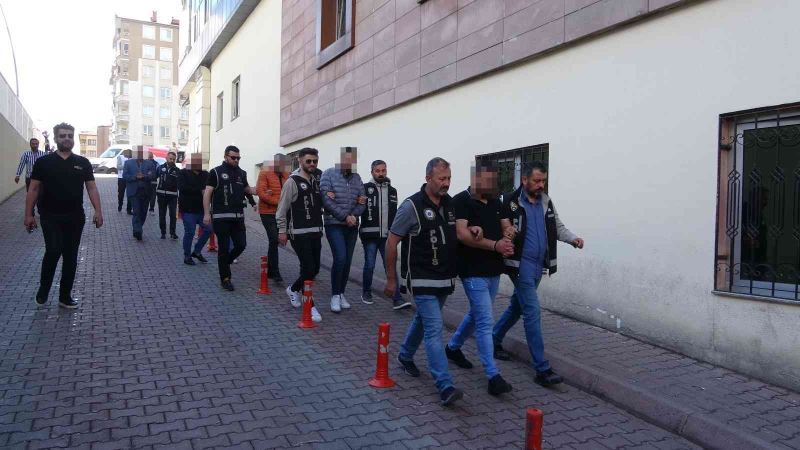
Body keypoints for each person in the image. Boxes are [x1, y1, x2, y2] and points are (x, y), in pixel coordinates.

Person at [492, 161, 584, 387]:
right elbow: (497, 228)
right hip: (519, 266)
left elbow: (557, 227)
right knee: (532, 311)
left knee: (517, 306)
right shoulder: (510, 202)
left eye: (543, 180)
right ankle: (542, 369)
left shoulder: (546, 201)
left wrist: (572, 239)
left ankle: (494, 339)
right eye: (537, 181)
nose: (541, 185)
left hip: (538, 267)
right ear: (524, 180)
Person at [384, 157, 463, 407]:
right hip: (421, 279)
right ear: (428, 178)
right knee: (434, 329)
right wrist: (391, 279)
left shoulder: (450, 204)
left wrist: (475, 231)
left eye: (449, 178)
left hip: (445, 279)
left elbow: (457, 234)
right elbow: (391, 242)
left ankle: (405, 355)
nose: (446, 183)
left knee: (423, 320)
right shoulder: (411, 206)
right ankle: (445, 385)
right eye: (441, 179)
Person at [444, 161, 515, 396]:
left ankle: (453, 347)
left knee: (477, 314)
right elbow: (462, 235)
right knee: (485, 320)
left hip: (494, 270)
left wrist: (509, 234)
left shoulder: (496, 201)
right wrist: (495, 245)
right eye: (489, 180)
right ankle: (493, 375)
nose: (494, 185)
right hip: (472, 270)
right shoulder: (460, 201)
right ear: (476, 179)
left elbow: (506, 226)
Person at [24, 122, 103, 309]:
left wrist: (98, 211)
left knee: (70, 256)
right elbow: (33, 189)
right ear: (55, 138)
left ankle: (65, 296)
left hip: (75, 217)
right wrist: (28, 215)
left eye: (69, 136)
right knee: (53, 251)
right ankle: (44, 289)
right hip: (49, 215)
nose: (66, 139)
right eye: (62, 136)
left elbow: (91, 188)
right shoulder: (43, 163)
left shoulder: (82, 163)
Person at [276, 147, 323, 323]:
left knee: (315, 269)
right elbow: (281, 209)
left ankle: (293, 289)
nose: (312, 164)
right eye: (308, 161)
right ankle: (309, 305)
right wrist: (282, 231)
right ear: (300, 160)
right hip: (298, 233)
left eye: (315, 161)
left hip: (315, 232)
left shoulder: (316, 181)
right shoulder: (292, 182)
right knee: (308, 268)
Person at [203, 145, 257, 291]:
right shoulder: (216, 172)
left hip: (238, 217)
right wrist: (207, 213)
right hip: (221, 218)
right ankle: (225, 278)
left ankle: (224, 263)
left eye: (238, 158)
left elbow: (247, 190)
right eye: (233, 157)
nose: (236, 160)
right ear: (226, 156)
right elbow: (207, 193)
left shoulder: (241, 173)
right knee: (224, 248)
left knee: (241, 245)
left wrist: (260, 192)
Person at [320, 147, 366, 313]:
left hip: (352, 225)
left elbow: (363, 200)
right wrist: (345, 216)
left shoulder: (357, 177)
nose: (349, 162)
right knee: (340, 258)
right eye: (347, 159)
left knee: (347, 261)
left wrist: (353, 216)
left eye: (352, 160)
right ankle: (334, 295)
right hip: (334, 224)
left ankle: (341, 293)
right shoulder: (328, 174)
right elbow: (326, 200)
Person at [359, 159, 407, 309]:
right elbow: (359, 209)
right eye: (377, 171)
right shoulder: (365, 188)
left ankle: (397, 298)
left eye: (383, 170)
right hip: (369, 235)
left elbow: (395, 213)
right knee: (370, 265)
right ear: (372, 172)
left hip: (387, 237)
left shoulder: (392, 191)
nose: (381, 173)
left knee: (390, 266)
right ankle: (366, 292)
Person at [256, 153, 290, 282]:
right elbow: (262, 193)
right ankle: (274, 271)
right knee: (274, 239)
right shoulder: (264, 173)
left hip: (282, 213)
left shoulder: (287, 174)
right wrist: (281, 202)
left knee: (277, 240)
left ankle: (271, 269)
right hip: (267, 212)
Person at [178, 153, 210, 265]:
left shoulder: (206, 174)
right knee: (190, 232)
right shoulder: (183, 173)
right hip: (188, 209)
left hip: (202, 210)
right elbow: (182, 188)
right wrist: (200, 190)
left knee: (209, 229)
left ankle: (197, 251)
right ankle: (187, 256)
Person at [123, 148, 158, 240]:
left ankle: (138, 227)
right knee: (136, 211)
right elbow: (125, 176)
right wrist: (135, 177)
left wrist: (144, 176)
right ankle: (137, 231)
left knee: (143, 212)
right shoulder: (128, 163)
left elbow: (153, 175)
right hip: (134, 192)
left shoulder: (150, 164)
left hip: (146, 192)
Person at [156, 151, 180, 239]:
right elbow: (154, 178)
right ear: (166, 158)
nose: (172, 160)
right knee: (162, 214)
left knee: (173, 215)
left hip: (173, 196)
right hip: (161, 195)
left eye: (173, 159)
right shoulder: (160, 168)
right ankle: (163, 232)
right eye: (170, 159)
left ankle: (172, 233)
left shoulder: (177, 170)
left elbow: (180, 184)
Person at [116, 149, 132, 214]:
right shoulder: (120, 157)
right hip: (121, 178)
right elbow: (118, 167)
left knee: (130, 194)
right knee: (121, 193)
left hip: (129, 178)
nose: (128, 155)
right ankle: (120, 206)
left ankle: (129, 209)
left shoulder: (132, 159)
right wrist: (126, 166)